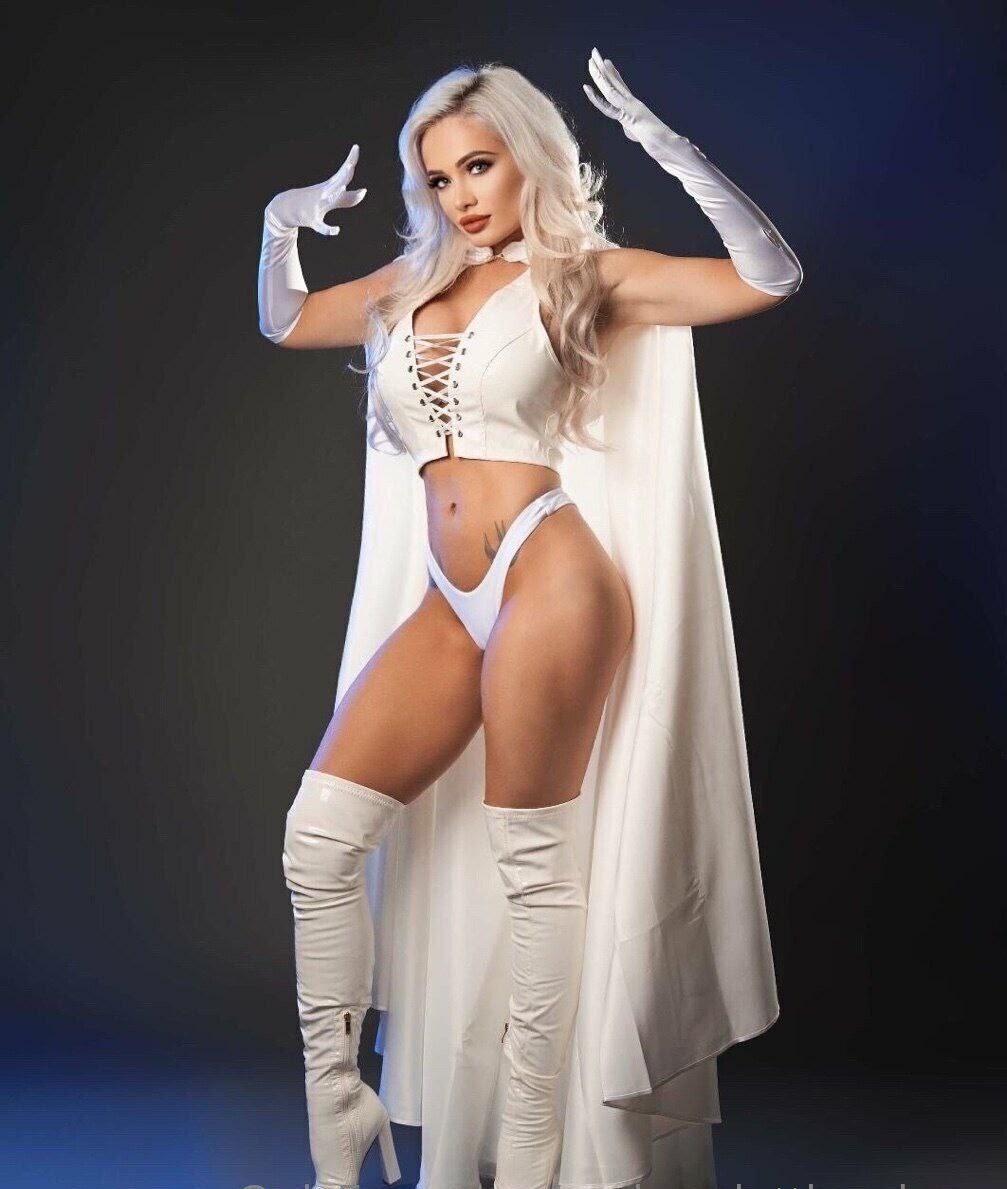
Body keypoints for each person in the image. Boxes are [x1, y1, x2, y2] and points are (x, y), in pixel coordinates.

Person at [257, 49, 801, 1189]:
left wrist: (674, 153)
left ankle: (532, 1151)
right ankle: (339, 1113)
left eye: (478, 166)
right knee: (319, 837)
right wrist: (280, 224)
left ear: (528, 159)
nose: (460, 195)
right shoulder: (410, 285)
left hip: (551, 577)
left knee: (533, 869)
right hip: (450, 601)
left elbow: (767, 277)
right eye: (437, 177)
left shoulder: (585, 276)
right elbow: (289, 321)